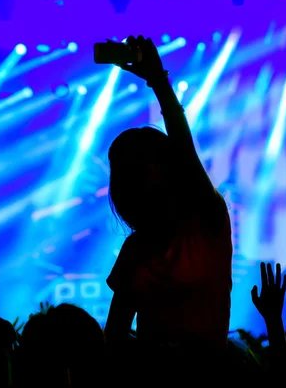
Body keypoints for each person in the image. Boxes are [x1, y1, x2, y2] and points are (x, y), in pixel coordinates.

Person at [103, 36, 232, 351]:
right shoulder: (137, 249)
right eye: (124, 172)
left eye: (138, 167)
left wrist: (159, 81)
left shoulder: (206, 222)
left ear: (168, 169)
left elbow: (185, 151)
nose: (129, 178)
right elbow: (114, 336)